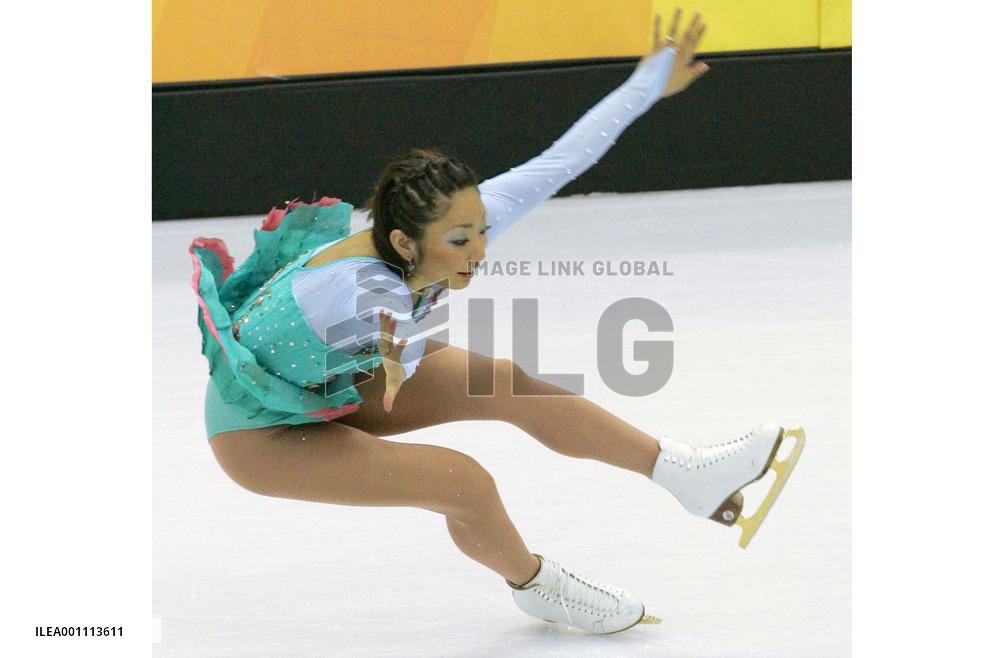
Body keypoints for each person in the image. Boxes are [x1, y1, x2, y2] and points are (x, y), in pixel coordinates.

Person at [188, 10, 804, 635]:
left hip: (333, 378)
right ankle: (537, 586)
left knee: (508, 382)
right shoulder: (361, 293)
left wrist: (647, 81)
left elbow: (564, 159)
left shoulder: (436, 234)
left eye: (481, 228)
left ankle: (684, 473)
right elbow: (402, 359)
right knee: (462, 482)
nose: (479, 249)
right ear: (402, 240)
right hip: (260, 434)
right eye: (461, 239)